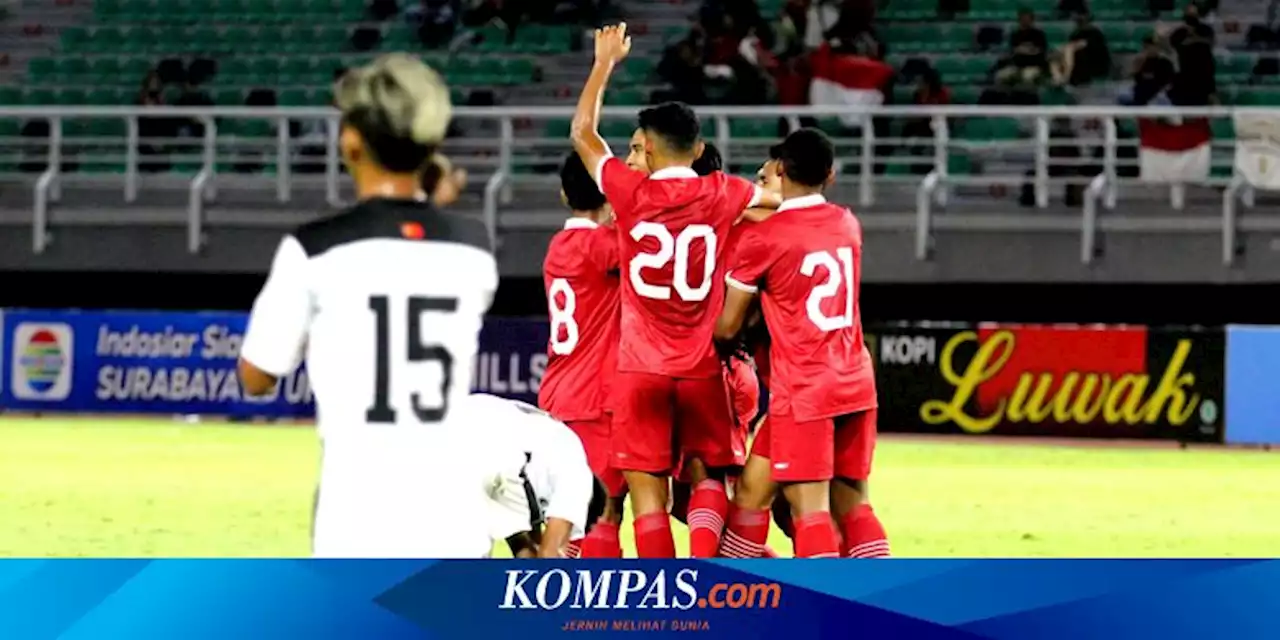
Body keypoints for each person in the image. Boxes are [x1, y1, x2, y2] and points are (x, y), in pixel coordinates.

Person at [237, 54, 506, 558]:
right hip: (454, 522)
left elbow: (256, 376)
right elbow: (411, 241)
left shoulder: (313, 249)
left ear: (351, 142)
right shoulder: (475, 249)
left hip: (358, 523)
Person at [569, 23, 779, 559]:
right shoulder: (723, 191)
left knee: (646, 495)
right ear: (699, 147)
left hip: (639, 367)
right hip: (701, 366)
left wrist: (604, 65)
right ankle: (707, 577)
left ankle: (662, 599)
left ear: (651, 150)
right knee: (709, 475)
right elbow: (778, 203)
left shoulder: (627, 189)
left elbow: (584, 136)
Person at [714, 128, 888, 559]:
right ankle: (734, 594)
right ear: (830, 175)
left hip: (805, 389)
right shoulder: (847, 223)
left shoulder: (766, 238)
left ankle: (828, 615)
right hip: (854, 381)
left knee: (809, 509)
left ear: (780, 170)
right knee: (765, 491)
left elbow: (727, 326)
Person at [537, 151, 626, 559]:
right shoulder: (604, 246)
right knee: (603, 515)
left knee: (573, 512)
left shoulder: (558, 245)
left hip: (558, 396)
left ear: (561, 194)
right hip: (595, 399)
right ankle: (594, 614)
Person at [459, 394, 604, 559]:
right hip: (472, 444)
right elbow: (549, 555)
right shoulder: (578, 480)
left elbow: (519, 540)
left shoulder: (531, 470)